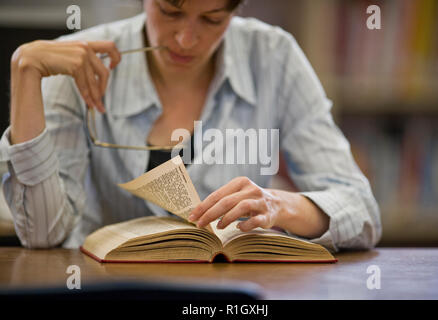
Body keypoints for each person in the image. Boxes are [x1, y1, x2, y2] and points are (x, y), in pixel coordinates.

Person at [0, 0, 381, 251]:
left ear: (235, 10)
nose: (185, 39)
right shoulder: (76, 64)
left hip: (226, 298)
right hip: (103, 290)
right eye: (170, 11)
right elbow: (41, 234)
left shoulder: (274, 57)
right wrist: (25, 75)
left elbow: (362, 211)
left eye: (212, 20)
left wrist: (280, 205)